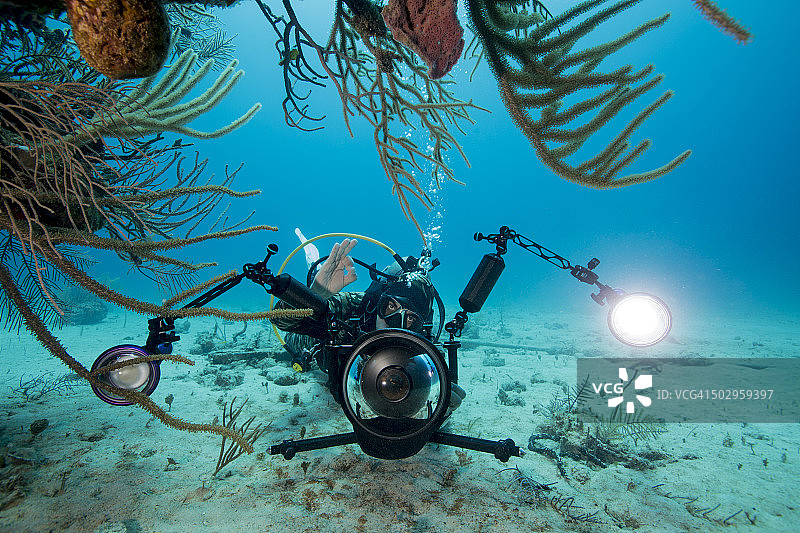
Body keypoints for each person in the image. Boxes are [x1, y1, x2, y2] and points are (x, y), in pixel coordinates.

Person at [270, 235, 465, 414]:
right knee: (296, 337)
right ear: (380, 300)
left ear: (422, 324)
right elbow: (279, 318)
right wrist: (317, 294)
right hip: (320, 342)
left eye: (411, 318)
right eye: (390, 306)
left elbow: (434, 387)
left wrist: (441, 401)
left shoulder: (422, 344)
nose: (394, 324)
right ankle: (314, 273)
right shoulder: (358, 306)